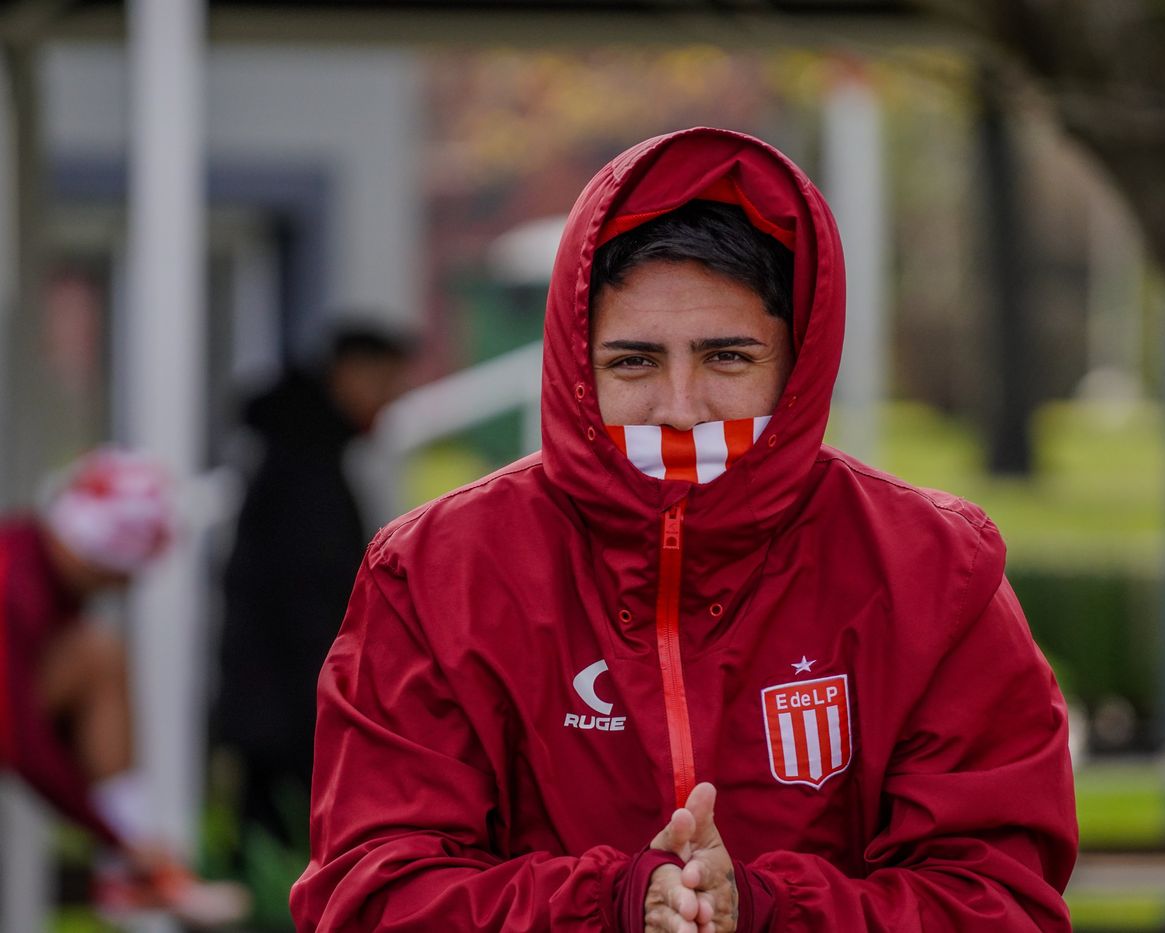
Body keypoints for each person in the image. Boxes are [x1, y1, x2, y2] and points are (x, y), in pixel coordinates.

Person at [291, 127, 1077, 932]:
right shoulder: (435, 574)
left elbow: (999, 900)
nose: (679, 406)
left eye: (727, 358)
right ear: (575, 364)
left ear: (797, 360)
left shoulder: (935, 571)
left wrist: (770, 912)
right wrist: (611, 907)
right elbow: (372, 896)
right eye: (634, 362)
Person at [0, 447, 248, 924]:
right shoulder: (16, 583)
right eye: (124, 578)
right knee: (100, 658)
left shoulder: (30, 566)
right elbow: (18, 737)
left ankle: (133, 863)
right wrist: (110, 836)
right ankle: (133, 862)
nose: (123, 590)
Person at [214, 322, 413, 850]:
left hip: (274, 694)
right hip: (290, 701)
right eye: (384, 383)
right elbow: (310, 599)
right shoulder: (308, 465)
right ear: (348, 374)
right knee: (288, 850)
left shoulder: (294, 448)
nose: (387, 402)